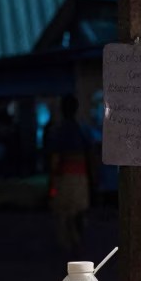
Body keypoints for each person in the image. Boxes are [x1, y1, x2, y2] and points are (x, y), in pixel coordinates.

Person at [45, 94, 93, 251]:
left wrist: (52, 184)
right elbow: (91, 156)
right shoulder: (82, 130)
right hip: (80, 177)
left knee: (64, 214)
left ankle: (69, 244)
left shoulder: (58, 132)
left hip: (65, 178)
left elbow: (55, 161)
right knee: (78, 212)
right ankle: (76, 243)